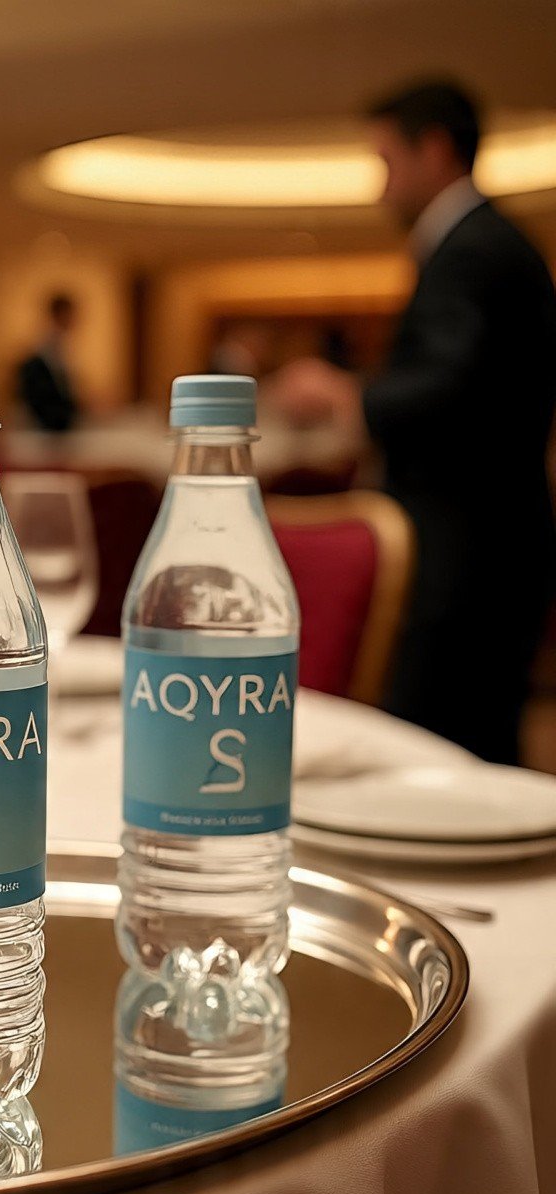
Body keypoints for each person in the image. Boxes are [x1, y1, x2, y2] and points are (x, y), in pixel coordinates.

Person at [266, 79, 556, 764]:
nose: (380, 186)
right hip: (491, 534)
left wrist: (344, 394)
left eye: (387, 161)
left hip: (470, 542)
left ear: (435, 149)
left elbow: (453, 387)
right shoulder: (480, 242)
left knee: (450, 741)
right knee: (470, 733)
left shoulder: (473, 247)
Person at [17, 293, 80, 432]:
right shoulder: (47, 346)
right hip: (48, 422)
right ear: (59, 314)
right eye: (69, 314)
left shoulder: (62, 344)